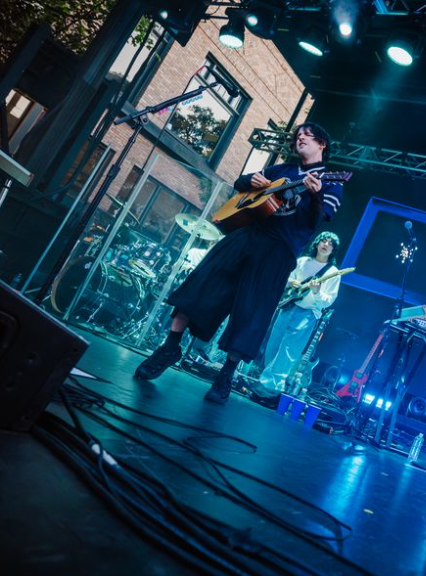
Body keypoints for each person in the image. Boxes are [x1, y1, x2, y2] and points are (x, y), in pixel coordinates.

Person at [133, 122, 344, 403]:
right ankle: (170, 347)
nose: (300, 138)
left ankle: (226, 375)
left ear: (322, 144)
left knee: (251, 313)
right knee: (199, 286)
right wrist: (250, 181)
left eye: (308, 135)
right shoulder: (282, 169)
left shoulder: (332, 183)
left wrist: (315, 195)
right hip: (246, 235)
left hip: (278, 252)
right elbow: (241, 184)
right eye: (298, 135)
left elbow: (317, 221)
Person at [245, 231, 342, 393]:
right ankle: (267, 382)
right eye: (324, 241)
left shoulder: (333, 273)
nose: (326, 245)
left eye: (330, 244)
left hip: (308, 313)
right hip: (288, 306)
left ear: (333, 250)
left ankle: (271, 386)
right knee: (273, 344)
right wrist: (291, 282)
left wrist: (317, 292)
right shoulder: (303, 261)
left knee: (289, 350)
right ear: (317, 243)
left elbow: (328, 301)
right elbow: (284, 279)